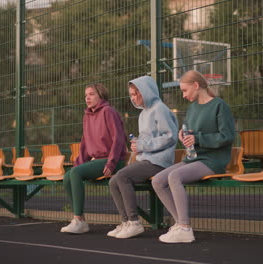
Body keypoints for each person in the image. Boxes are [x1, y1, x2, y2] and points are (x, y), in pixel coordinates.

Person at [151, 70, 235, 243]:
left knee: (174, 176)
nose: (183, 95)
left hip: (213, 160)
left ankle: (185, 228)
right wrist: (184, 136)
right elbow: (191, 133)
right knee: (158, 181)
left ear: (196, 86)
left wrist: (198, 138)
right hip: (193, 158)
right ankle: (180, 223)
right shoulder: (192, 108)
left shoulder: (220, 106)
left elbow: (227, 137)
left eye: (185, 90)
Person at [108, 76, 178, 239]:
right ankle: (126, 222)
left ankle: (134, 222)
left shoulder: (160, 109)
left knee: (123, 176)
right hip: (147, 159)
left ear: (146, 92)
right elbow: (147, 140)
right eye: (131, 95)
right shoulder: (143, 114)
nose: (133, 98)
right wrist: (138, 145)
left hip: (160, 161)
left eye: (135, 94)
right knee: (113, 181)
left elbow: (170, 136)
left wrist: (143, 146)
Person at [61, 83, 127, 234]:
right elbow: (85, 143)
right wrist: (78, 164)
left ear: (101, 95)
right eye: (86, 95)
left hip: (113, 161)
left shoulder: (108, 111)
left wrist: (111, 162)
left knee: (76, 173)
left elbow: (118, 139)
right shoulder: (87, 116)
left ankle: (78, 220)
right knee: (68, 177)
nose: (87, 97)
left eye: (91, 94)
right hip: (98, 161)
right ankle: (81, 220)